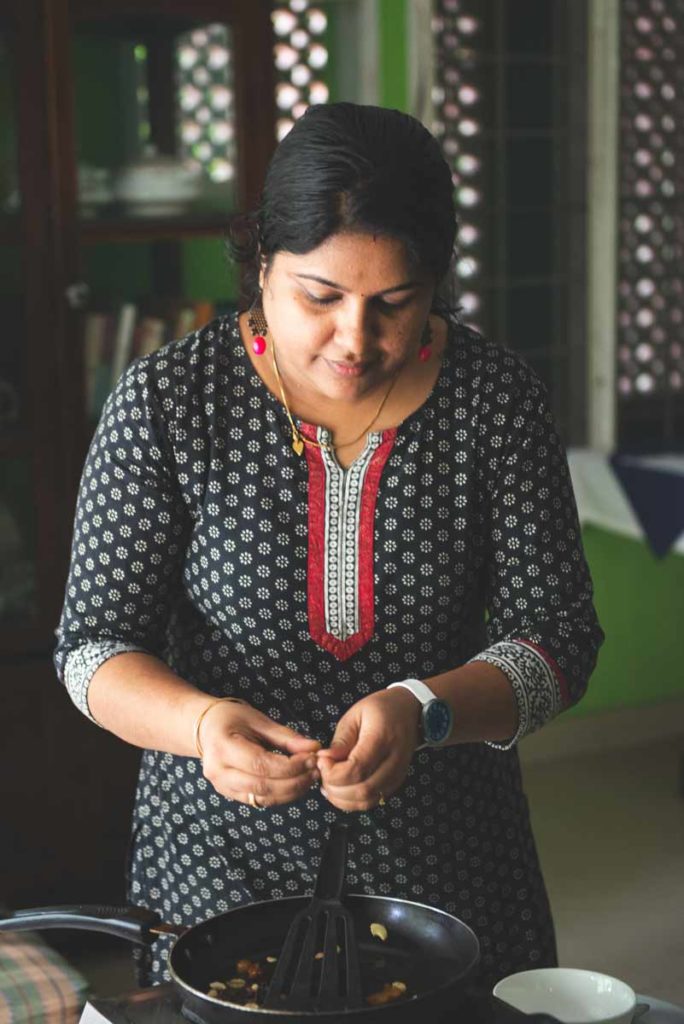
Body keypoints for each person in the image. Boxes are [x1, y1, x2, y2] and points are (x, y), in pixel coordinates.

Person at [55, 102, 604, 989]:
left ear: (436, 284)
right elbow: (90, 649)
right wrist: (200, 726)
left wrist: (424, 707)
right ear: (262, 265)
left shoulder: (494, 401)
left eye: (395, 303)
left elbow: (560, 640)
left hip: (451, 871)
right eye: (320, 296)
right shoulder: (170, 402)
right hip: (218, 865)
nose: (356, 340)